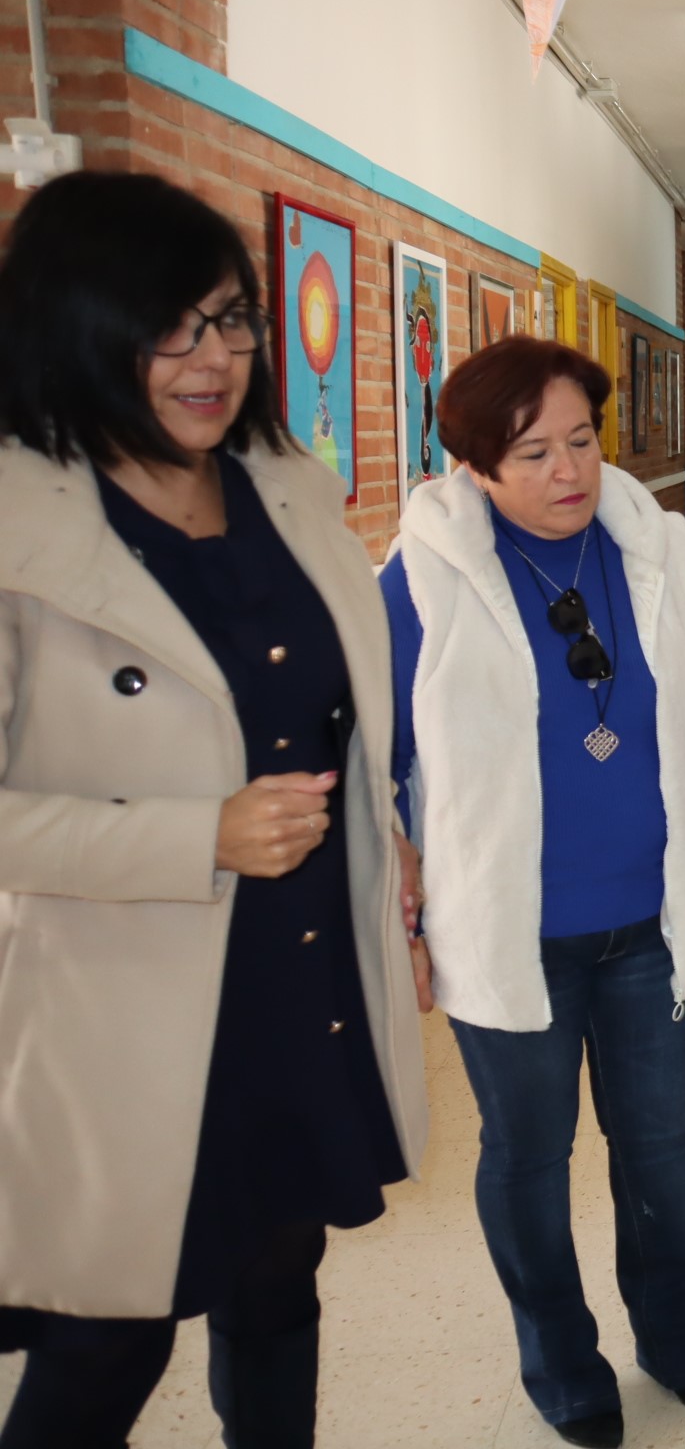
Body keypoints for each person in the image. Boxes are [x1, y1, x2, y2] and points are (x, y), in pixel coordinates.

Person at [0, 171, 427, 1447]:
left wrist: (384, 842)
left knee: (278, 1286)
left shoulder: (283, 486)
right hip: (132, 1001)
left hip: (301, 971)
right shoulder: (23, 526)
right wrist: (197, 834)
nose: (216, 359)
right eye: (169, 328)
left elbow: (334, 714)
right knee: (104, 1342)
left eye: (233, 320)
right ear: (74, 327)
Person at [381, 336, 685, 1449]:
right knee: (529, 1155)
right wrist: (395, 896)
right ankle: (561, 1358)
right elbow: (370, 753)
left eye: (584, 442)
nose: (569, 472)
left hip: (645, 922)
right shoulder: (420, 579)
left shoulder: (657, 551)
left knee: (659, 1143)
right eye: (534, 453)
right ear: (474, 467)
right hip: (507, 929)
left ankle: (674, 1332)